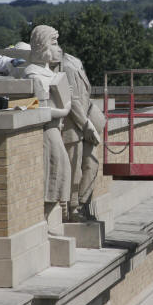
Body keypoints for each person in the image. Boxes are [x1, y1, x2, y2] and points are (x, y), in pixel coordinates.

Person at [23, 25, 72, 222]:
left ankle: (55, 216)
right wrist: (64, 110)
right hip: (47, 130)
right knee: (56, 169)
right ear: (42, 46)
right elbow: (35, 108)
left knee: (62, 169)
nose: (59, 48)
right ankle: (47, 219)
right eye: (54, 43)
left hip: (56, 128)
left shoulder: (48, 72)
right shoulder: (33, 74)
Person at [61, 50, 103, 222]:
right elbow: (73, 100)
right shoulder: (68, 67)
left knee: (90, 164)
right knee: (74, 170)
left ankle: (80, 204)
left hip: (84, 125)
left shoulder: (75, 63)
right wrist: (86, 124)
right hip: (74, 128)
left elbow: (83, 98)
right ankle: (72, 209)